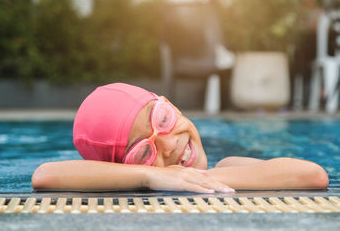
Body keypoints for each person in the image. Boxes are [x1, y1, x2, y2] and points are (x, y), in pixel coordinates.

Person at [31, 83, 329, 193]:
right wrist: (153, 177)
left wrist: (201, 178)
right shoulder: (139, 182)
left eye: (163, 119)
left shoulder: (228, 166)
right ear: (120, 168)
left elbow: (313, 175)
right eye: (144, 152)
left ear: (170, 102)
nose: (171, 144)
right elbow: (45, 175)